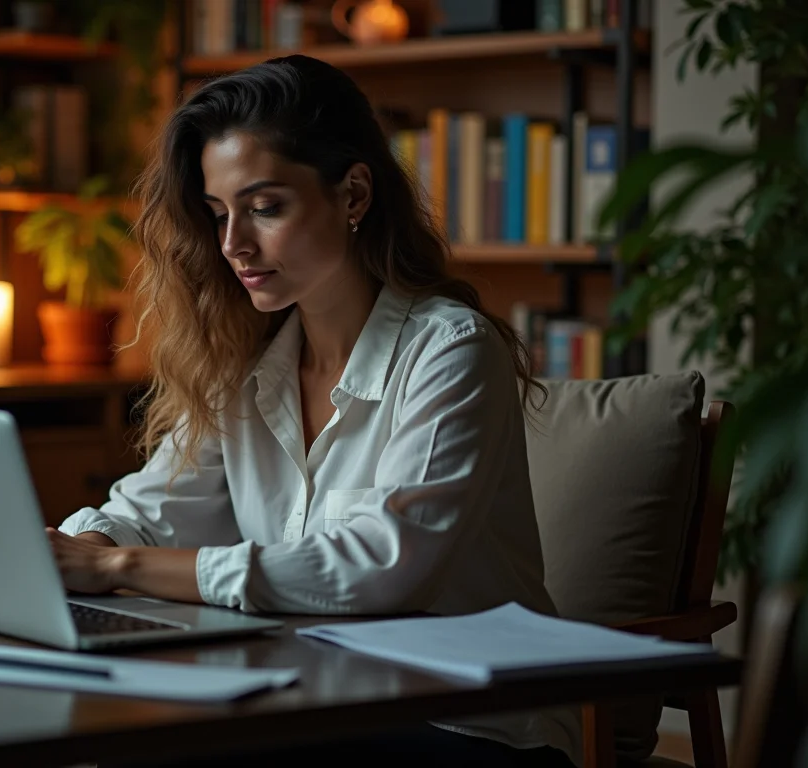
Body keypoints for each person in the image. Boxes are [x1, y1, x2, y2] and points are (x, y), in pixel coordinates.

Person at [45, 55, 580, 768]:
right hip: (310, 702)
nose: (233, 243)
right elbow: (152, 509)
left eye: (264, 207)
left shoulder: (451, 351)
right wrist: (60, 550)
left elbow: (383, 567)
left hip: (469, 724)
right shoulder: (245, 363)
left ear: (353, 194)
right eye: (217, 214)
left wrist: (121, 564)